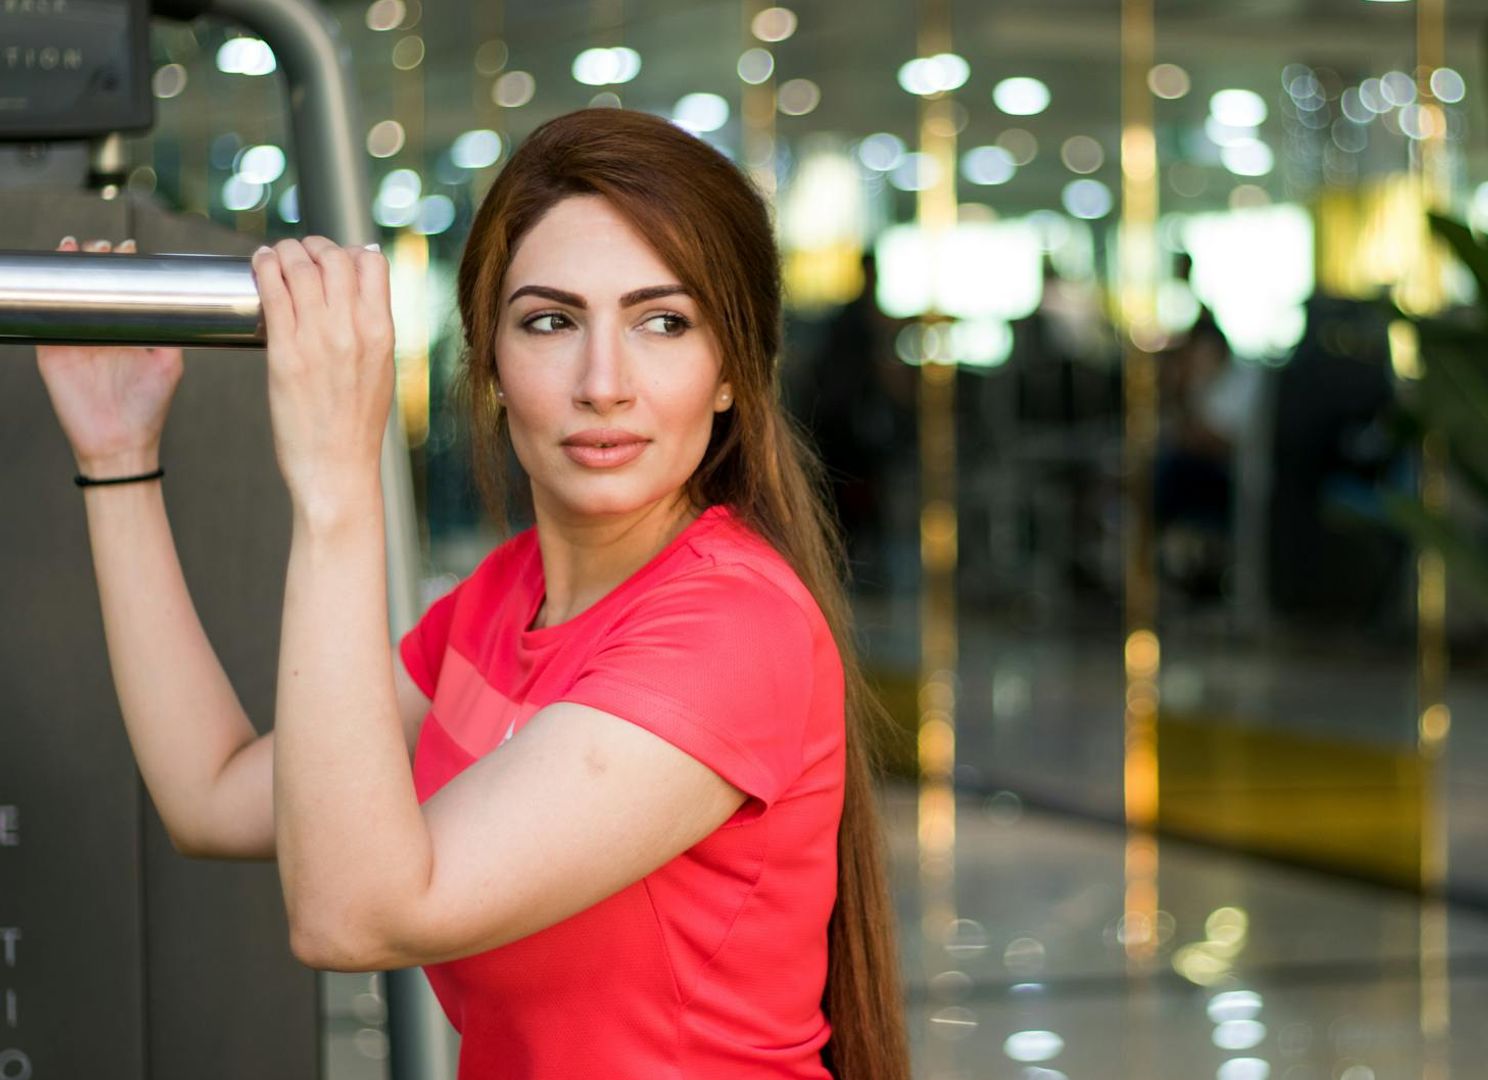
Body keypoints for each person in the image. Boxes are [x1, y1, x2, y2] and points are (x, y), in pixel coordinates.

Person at [31, 109, 908, 1079]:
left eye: (663, 321)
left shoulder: (733, 630)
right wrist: (117, 456)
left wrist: (337, 482)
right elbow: (214, 796)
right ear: (489, 364)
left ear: (732, 372)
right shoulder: (508, 595)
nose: (603, 381)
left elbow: (354, 917)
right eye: (550, 321)